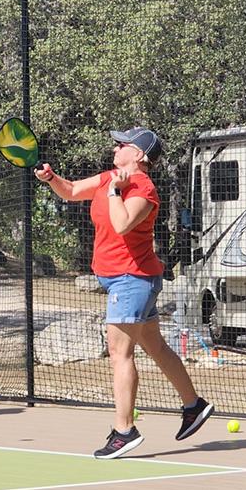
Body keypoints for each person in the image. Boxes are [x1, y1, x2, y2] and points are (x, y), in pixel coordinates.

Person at [34, 126, 213, 459]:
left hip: (132, 280)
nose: (116, 146)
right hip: (122, 279)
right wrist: (51, 178)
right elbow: (71, 191)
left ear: (140, 155)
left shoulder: (144, 189)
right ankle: (194, 405)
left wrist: (116, 192)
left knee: (119, 354)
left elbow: (122, 224)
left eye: (123, 144)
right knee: (156, 346)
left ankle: (124, 431)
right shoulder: (108, 178)